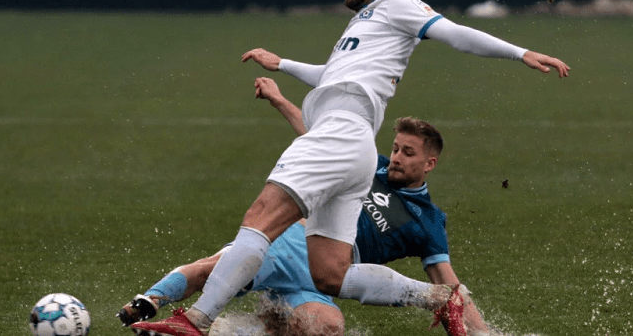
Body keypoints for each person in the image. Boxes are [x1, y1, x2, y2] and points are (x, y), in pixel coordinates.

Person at [130, 0, 570, 336]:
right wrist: (282, 64)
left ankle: (196, 320)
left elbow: (453, 33)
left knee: (261, 217)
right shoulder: (367, 23)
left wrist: (520, 53)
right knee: (330, 274)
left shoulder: (396, 3)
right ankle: (437, 298)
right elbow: (332, 76)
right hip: (354, 145)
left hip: (339, 133)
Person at [120, 77, 490, 336]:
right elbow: (316, 135)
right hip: (294, 242)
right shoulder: (368, 165)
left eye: (407, 153)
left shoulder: (428, 223)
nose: (395, 158)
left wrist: (483, 333)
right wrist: (280, 100)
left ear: (429, 164)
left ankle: (236, 329)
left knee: (327, 327)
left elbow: (450, 289)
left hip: (325, 275)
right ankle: (149, 301)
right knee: (216, 270)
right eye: (395, 149)